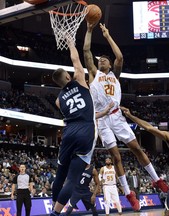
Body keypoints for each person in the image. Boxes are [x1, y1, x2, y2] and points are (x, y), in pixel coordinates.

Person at [83, 22, 169, 210]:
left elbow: (120, 56)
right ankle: (129, 193)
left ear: (109, 64)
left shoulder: (115, 76)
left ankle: (157, 180)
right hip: (103, 120)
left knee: (137, 149)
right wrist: (89, 30)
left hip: (117, 117)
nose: (101, 61)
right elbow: (86, 51)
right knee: (116, 157)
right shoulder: (94, 74)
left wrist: (107, 35)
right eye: (100, 60)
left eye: (104, 60)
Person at [50, 37, 97, 216]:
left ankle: (55, 208)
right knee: (72, 179)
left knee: (60, 175)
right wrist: (70, 43)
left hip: (68, 132)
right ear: (68, 76)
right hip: (85, 130)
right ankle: (55, 213)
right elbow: (76, 60)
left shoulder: (58, 100)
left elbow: (63, 104)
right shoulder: (79, 79)